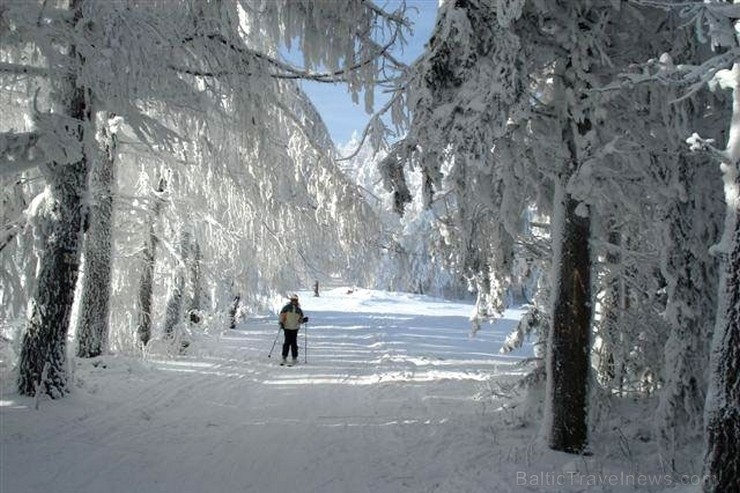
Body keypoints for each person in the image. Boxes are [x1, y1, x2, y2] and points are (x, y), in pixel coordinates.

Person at [279, 294, 308, 365]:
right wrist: (281, 323)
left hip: (295, 328)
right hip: (287, 327)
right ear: (291, 300)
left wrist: (304, 320)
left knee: (294, 343)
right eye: (293, 300)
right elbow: (282, 316)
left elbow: (300, 320)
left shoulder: (299, 310)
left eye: (295, 300)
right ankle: (284, 357)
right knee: (287, 342)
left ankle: (294, 357)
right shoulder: (286, 308)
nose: (294, 301)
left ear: (297, 301)